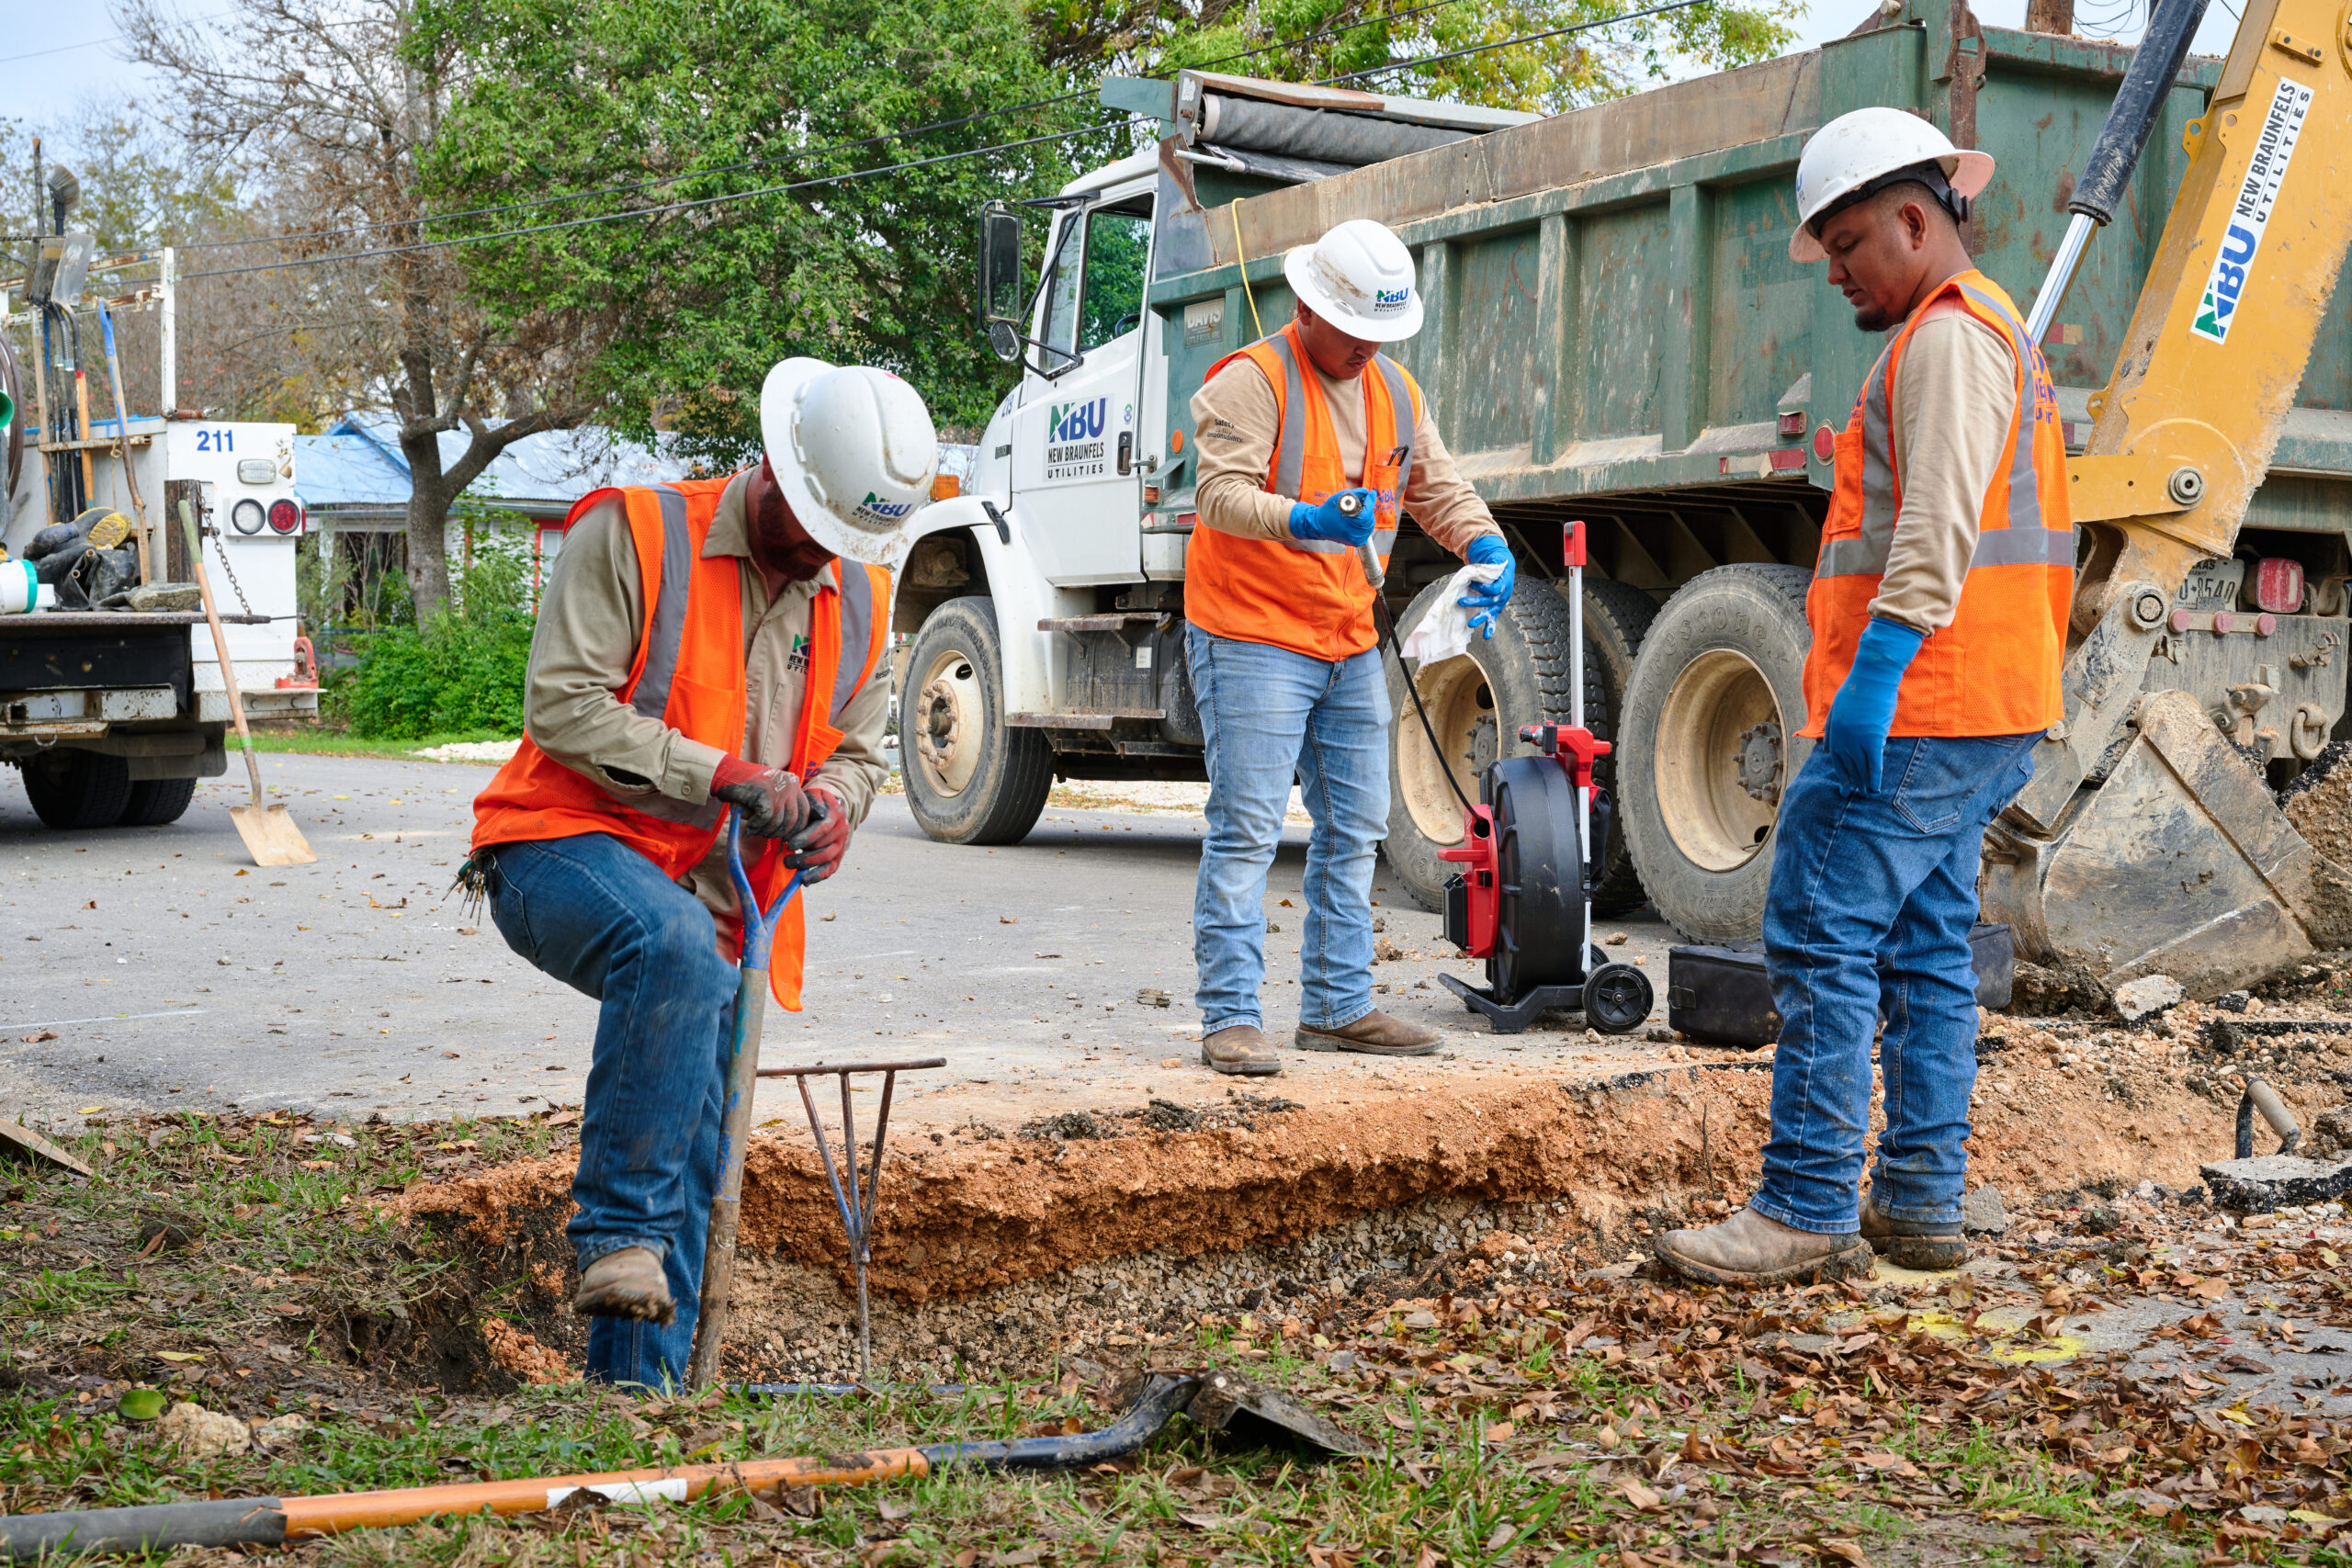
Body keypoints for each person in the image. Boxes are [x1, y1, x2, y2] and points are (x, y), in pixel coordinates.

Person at [1656, 108, 2072, 1285]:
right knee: (1931, 946)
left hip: (1924, 703)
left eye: (1844, 246)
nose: (1833, 272)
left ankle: (1803, 1205)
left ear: (1911, 218)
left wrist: (1875, 678)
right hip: (1988, 697)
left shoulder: (1944, 340)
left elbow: (1937, 525)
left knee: (1821, 929)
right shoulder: (1992, 332)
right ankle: (1918, 1202)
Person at [466, 358, 935, 1385]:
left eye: (843, 542)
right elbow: (562, 705)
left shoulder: (858, 591)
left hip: (731, 898)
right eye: (811, 524)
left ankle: (641, 1393)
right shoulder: (633, 533)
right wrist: (719, 773)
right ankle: (616, 1234)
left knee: (697, 1130)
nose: (822, 554)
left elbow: (859, 752)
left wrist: (838, 810)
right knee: (670, 947)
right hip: (558, 846)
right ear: (773, 463)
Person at [1186, 218, 1518, 1077]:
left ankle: (1336, 1006)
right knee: (1249, 826)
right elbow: (1219, 496)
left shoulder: (1395, 390)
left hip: (1345, 634)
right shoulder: (1252, 382)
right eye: (1355, 329)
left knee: (1357, 824)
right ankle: (1230, 1015)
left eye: (1382, 331)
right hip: (1251, 632)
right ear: (1306, 306)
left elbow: (1435, 486)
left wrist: (1485, 543)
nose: (1368, 347)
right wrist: (1299, 518)